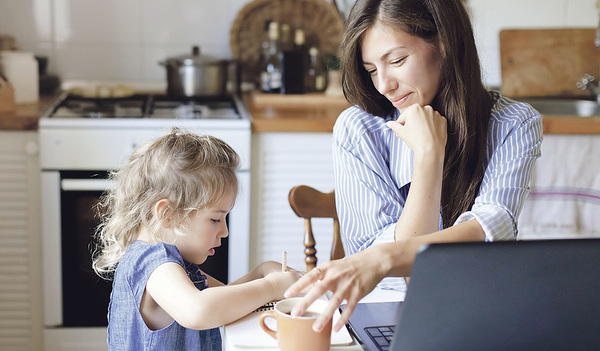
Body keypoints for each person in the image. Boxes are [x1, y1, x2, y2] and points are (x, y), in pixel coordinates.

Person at [284, 0, 543, 333]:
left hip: (478, 310)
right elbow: (394, 274)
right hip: (383, 312)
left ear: (444, 43)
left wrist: (383, 258)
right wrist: (428, 158)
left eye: (397, 60)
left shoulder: (514, 123)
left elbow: (489, 229)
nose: (384, 85)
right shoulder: (358, 128)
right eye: (372, 69)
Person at [92, 128, 300, 350]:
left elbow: (224, 300)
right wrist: (270, 287)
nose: (225, 232)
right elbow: (199, 310)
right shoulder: (154, 264)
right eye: (215, 219)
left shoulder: (176, 262)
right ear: (168, 214)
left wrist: (260, 273)